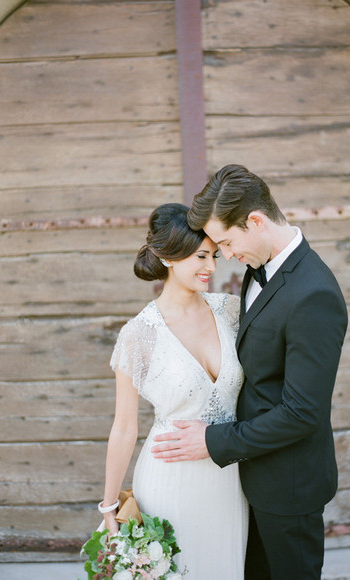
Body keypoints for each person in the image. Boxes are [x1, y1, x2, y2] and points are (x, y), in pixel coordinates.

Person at [152, 165, 348, 580]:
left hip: (288, 487)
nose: (224, 255)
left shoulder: (314, 293)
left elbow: (302, 412)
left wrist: (212, 440)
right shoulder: (259, 270)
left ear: (256, 221)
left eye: (226, 242)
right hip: (250, 480)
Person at [99, 203, 248, 578]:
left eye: (214, 255)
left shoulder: (231, 312)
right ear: (167, 256)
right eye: (200, 256)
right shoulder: (138, 335)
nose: (211, 267)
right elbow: (124, 427)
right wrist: (109, 505)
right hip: (170, 481)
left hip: (230, 478)